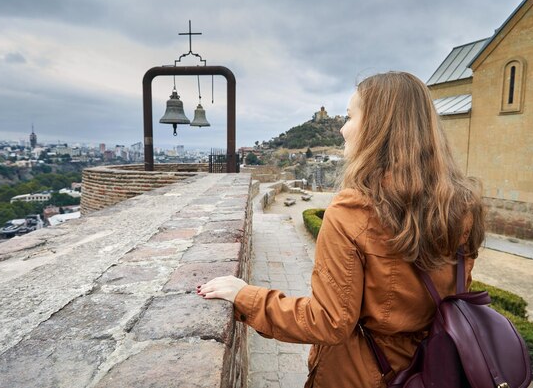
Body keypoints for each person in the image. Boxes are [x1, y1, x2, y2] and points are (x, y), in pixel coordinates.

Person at [197, 71, 485, 388]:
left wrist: (245, 297)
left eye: (350, 117)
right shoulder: (461, 207)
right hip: (431, 370)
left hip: (360, 376)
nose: (341, 128)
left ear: (377, 127)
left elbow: (329, 322)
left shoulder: (353, 212)